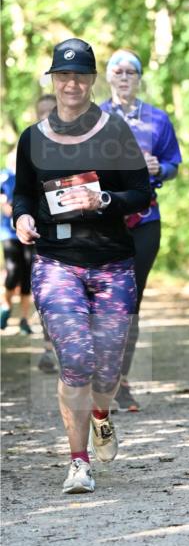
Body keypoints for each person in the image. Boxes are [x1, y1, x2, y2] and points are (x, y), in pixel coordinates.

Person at [13, 38, 150, 494]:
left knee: (107, 370)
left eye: (80, 75)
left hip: (111, 262)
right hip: (56, 262)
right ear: (53, 80)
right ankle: (78, 462)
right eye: (63, 75)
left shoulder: (114, 133)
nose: (71, 83)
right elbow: (24, 194)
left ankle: (101, 413)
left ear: (92, 81)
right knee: (74, 360)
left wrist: (103, 198)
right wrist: (23, 217)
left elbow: (141, 194)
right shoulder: (33, 138)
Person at [100, 49, 182, 411]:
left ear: (138, 78)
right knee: (102, 300)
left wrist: (158, 169)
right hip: (103, 222)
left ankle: (121, 380)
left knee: (130, 301)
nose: (124, 77)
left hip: (144, 220)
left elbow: (174, 164)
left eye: (130, 71)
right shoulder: (94, 117)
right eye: (117, 71)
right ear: (108, 77)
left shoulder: (157, 119)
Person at [32, 94, 60, 372]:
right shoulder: (31, 147)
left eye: (52, 111)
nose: (47, 116)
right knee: (46, 292)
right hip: (42, 233)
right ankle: (48, 349)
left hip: (78, 232)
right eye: (42, 113)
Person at [1, 160, 33, 334]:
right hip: (9, 232)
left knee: (28, 273)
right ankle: (5, 306)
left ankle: (24, 319)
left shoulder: (31, 173)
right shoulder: (5, 176)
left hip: (30, 232)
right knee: (13, 271)